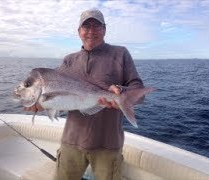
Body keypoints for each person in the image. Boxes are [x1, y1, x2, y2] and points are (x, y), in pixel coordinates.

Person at [24, 9, 145, 180]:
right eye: (86, 26)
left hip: (108, 144)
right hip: (71, 142)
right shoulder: (69, 60)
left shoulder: (120, 53)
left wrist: (121, 92)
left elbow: (139, 91)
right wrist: (39, 104)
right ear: (78, 31)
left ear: (105, 29)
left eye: (97, 25)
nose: (91, 30)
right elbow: (60, 98)